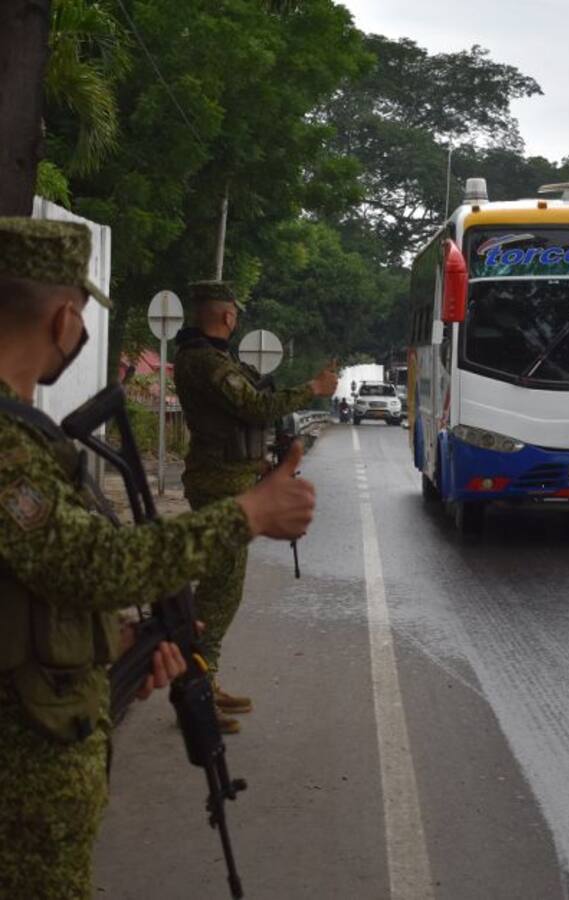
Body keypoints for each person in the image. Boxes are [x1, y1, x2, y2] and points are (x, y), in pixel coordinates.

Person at [0, 217, 317, 898]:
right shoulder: (8, 445)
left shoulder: (23, 432)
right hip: (22, 783)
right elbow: (93, 562)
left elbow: (33, 577)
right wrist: (248, 514)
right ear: (63, 319)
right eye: (81, 314)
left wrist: (107, 644)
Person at [173, 281, 337, 732]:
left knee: (221, 589)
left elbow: (235, 418)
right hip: (218, 485)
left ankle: (205, 679)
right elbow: (256, 407)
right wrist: (313, 387)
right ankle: (195, 690)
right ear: (228, 316)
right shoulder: (206, 361)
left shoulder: (206, 357)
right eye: (234, 314)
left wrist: (257, 465)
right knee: (219, 591)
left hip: (227, 478)